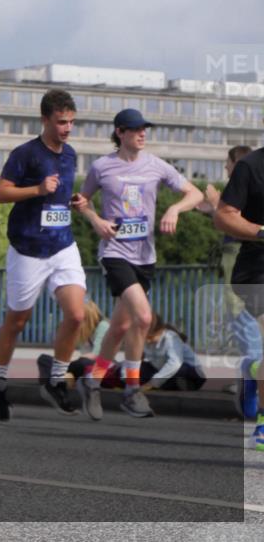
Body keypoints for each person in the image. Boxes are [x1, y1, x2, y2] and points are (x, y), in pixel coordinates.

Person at [76, 108, 203, 419]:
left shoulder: (156, 165)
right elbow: (81, 200)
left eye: (144, 129)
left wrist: (175, 210)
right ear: (120, 132)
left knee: (120, 325)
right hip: (115, 253)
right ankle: (132, 390)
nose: (142, 134)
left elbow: (195, 193)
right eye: (135, 130)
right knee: (143, 318)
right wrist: (95, 221)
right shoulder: (102, 167)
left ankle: (91, 382)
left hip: (145, 257)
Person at [0, 89, 89, 421]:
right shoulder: (25, 154)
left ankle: (56, 380)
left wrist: (71, 201)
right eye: (61, 122)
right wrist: (37, 190)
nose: (67, 128)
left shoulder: (71, 154)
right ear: (45, 120)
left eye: (71, 122)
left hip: (62, 245)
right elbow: (0, 193)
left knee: (76, 315)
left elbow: (55, 197)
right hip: (28, 249)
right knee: (17, 321)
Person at [213, 144, 264, 451]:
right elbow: (223, 216)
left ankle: (256, 368)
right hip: (257, 270)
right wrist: (260, 232)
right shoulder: (251, 167)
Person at [198, 145, 262, 364]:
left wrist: (214, 204)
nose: (226, 166)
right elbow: (225, 217)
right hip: (252, 266)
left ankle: (251, 371)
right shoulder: (251, 168)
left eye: (228, 162)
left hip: (239, 257)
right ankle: (251, 369)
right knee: (239, 313)